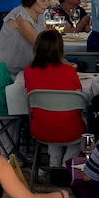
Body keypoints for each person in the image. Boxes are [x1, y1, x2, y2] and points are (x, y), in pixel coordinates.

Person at [23, 30, 84, 169]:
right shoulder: (69, 71)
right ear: (60, 49)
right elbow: (79, 99)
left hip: (41, 128)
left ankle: (54, 163)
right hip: (72, 130)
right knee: (69, 119)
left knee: (50, 115)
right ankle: (67, 164)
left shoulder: (29, 71)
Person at [0, 0, 53, 81]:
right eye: (43, 0)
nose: (47, 4)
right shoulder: (20, 16)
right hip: (3, 69)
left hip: (19, 68)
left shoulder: (40, 15)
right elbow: (40, 44)